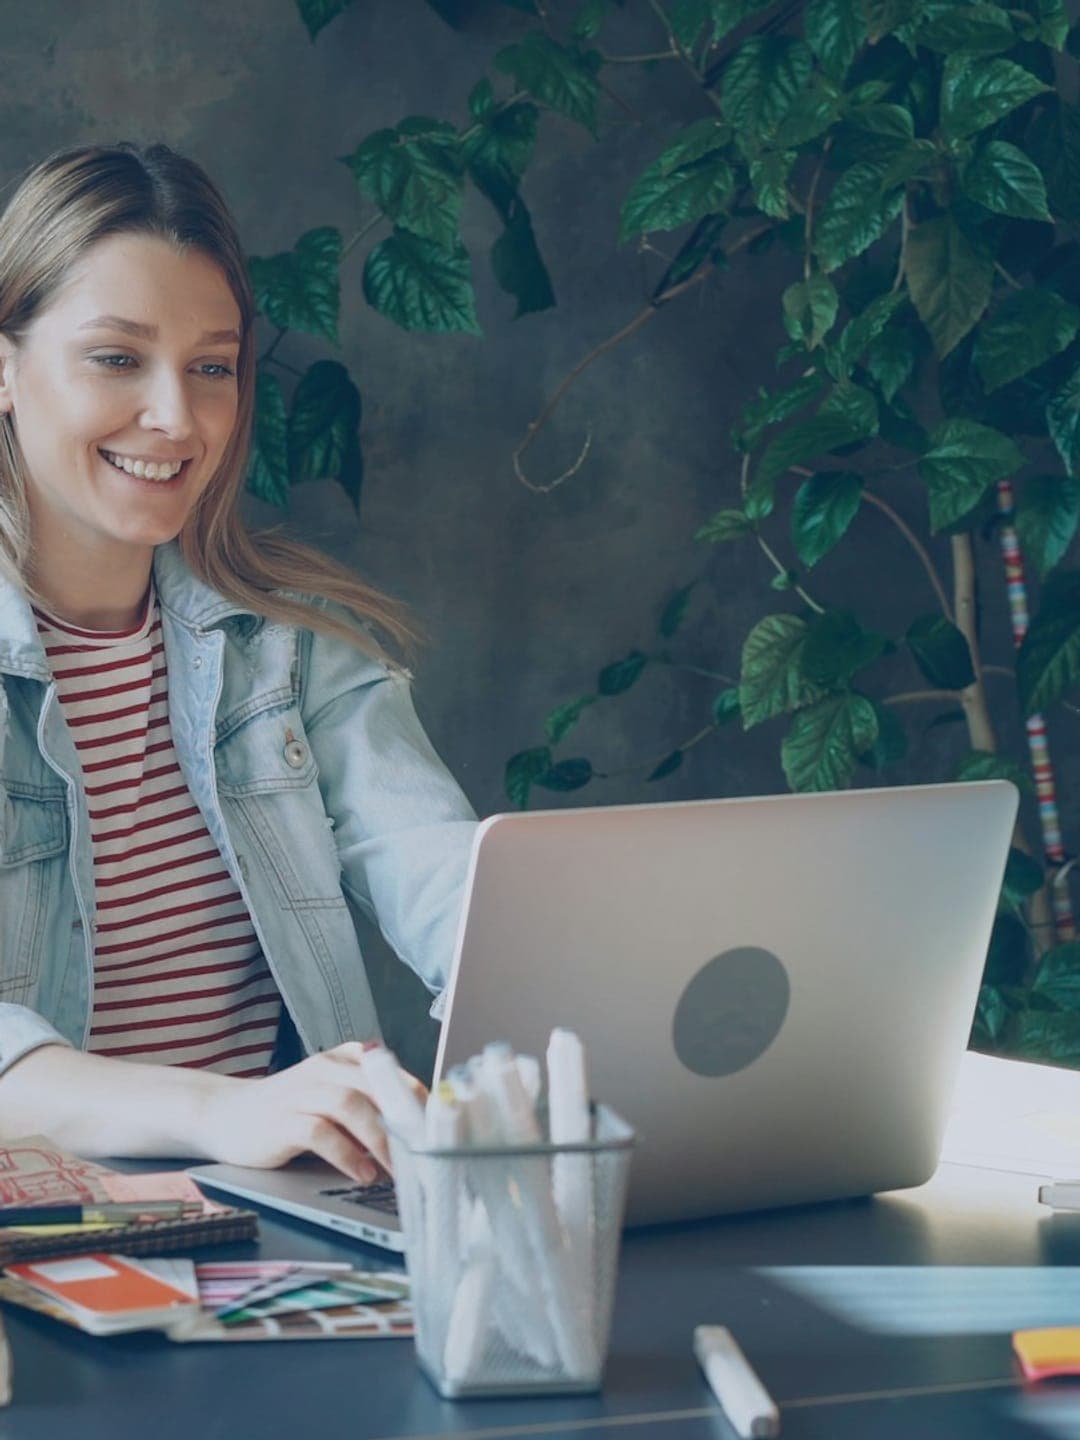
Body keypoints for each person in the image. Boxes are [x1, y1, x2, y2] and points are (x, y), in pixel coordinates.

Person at [0, 143, 478, 1183]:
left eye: (212, 366)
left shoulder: (299, 648)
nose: (177, 416)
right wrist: (226, 1113)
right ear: (4, 365)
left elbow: (454, 887)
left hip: (262, 1237)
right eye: (117, 358)